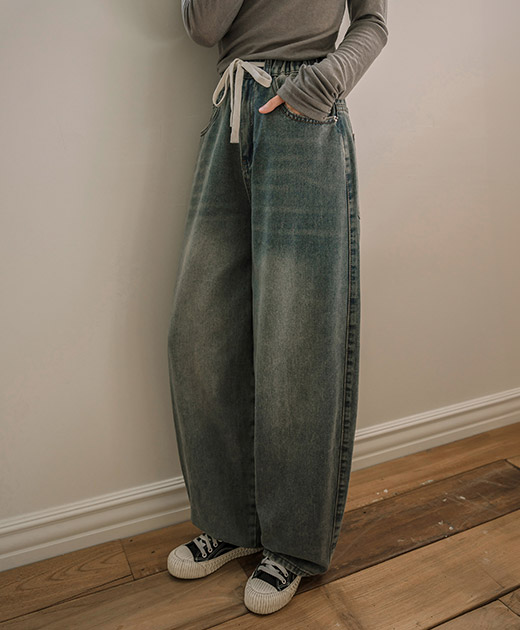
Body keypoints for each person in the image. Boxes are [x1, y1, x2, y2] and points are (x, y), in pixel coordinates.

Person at [166, 0, 388, 616]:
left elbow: (373, 21)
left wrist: (322, 82)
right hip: (229, 110)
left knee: (297, 338)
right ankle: (231, 523)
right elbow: (203, 28)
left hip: (304, 116)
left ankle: (291, 543)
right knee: (200, 334)